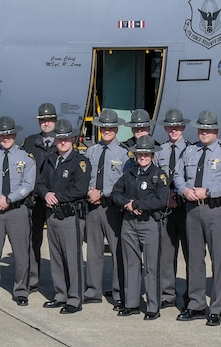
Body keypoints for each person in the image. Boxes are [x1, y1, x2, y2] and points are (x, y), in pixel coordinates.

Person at [176, 110, 221, 326]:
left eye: (208, 129)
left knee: (218, 259)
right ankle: (196, 304)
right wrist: (184, 190)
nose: (204, 132)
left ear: (216, 130)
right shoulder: (189, 151)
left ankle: (216, 308)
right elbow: (177, 175)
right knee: (194, 259)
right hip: (192, 210)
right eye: (201, 129)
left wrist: (209, 191)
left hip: (215, 210)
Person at [111, 136, 173, 319]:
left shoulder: (159, 175)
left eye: (146, 154)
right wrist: (128, 205)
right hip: (129, 223)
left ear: (152, 155)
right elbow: (116, 193)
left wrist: (138, 205)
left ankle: (153, 307)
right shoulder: (129, 174)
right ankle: (132, 304)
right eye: (140, 154)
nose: (143, 157)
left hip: (149, 223)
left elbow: (161, 200)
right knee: (131, 263)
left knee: (151, 266)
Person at [0, 116, 37, 307]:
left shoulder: (25, 158)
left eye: (9, 134)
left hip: (17, 211)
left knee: (21, 254)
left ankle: (21, 291)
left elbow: (28, 185)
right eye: (3, 134)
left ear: (15, 134)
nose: (6, 138)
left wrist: (9, 199)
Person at [38, 119, 91, 314]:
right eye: (59, 138)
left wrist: (56, 196)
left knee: (73, 257)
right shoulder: (51, 158)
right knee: (57, 256)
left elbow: (80, 189)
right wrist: (45, 194)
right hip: (52, 215)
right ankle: (60, 295)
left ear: (72, 139)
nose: (62, 142)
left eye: (66, 138)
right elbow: (41, 182)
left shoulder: (80, 162)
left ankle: (75, 299)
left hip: (70, 215)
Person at [83, 109, 129, 307]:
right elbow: (83, 175)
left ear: (116, 129)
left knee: (118, 251)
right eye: (104, 127)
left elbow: (125, 183)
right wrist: (89, 192)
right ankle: (93, 291)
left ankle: (119, 293)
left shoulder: (125, 154)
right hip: (93, 207)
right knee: (94, 251)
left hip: (112, 208)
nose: (107, 130)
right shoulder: (91, 151)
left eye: (110, 127)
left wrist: (101, 193)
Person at [21, 102, 60, 290]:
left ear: (55, 121)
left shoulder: (64, 141)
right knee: (33, 240)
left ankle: (60, 283)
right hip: (35, 199)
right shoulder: (29, 142)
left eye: (49, 120)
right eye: (43, 120)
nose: (46, 123)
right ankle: (32, 279)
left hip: (55, 200)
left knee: (57, 243)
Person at [157, 109, 192, 311]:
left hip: (186, 208)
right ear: (165, 127)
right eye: (170, 126)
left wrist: (179, 196)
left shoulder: (192, 150)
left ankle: (190, 294)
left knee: (191, 254)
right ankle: (168, 294)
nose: (173, 129)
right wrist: (166, 198)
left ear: (183, 127)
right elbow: (155, 180)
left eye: (177, 126)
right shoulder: (159, 151)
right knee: (167, 255)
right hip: (166, 209)